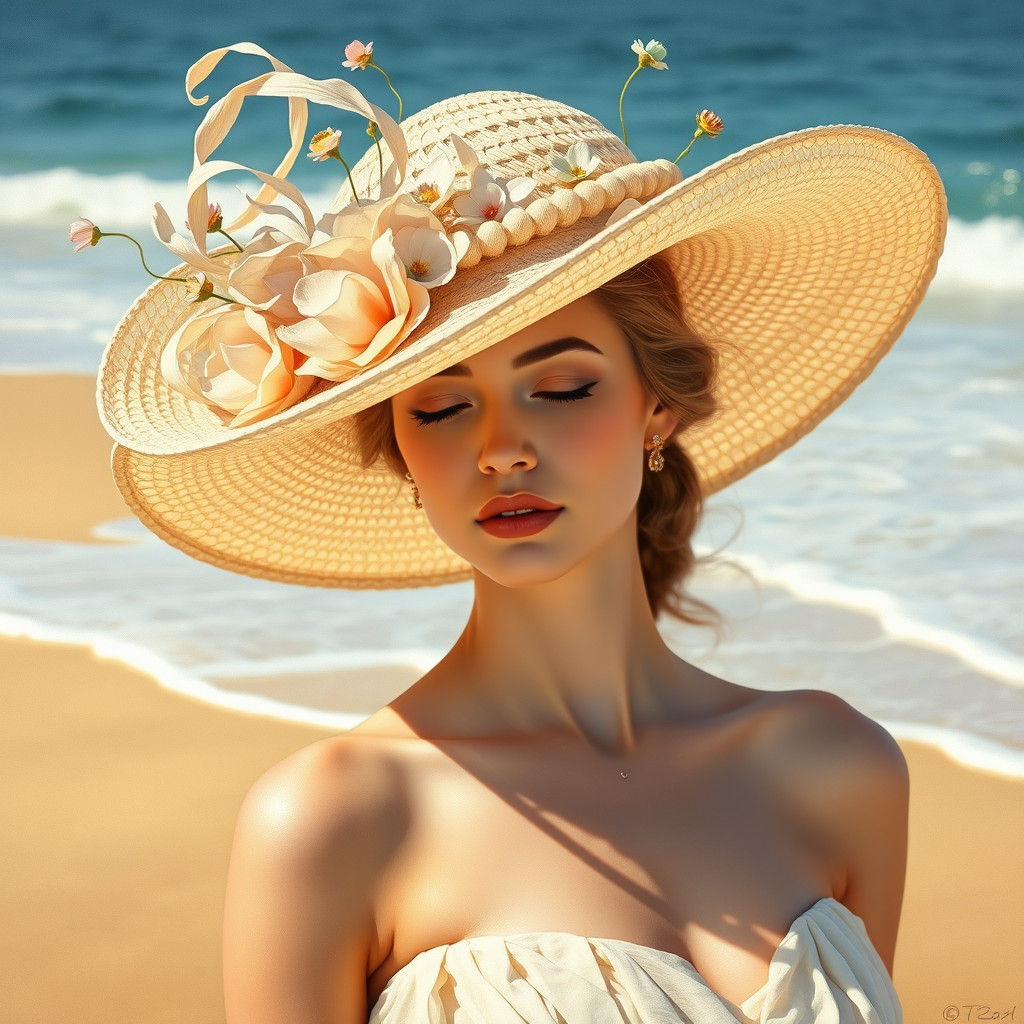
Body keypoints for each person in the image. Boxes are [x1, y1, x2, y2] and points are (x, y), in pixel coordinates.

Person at [91, 39, 946, 1024]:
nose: (500, 449)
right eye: (442, 407)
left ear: (656, 409)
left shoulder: (837, 766)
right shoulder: (336, 818)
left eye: (562, 386)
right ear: (403, 450)